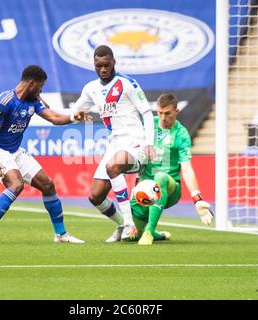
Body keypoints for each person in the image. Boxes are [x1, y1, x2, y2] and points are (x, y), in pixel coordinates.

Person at [0, 65, 89, 245]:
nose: (41, 90)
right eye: (40, 86)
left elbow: (54, 117)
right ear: (32, 83)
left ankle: (61, 234)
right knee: (16, 184)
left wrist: (74, 117)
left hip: (14, 151)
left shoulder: (33, 100)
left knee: (48, 185)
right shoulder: (5, 102)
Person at [72, 45, 155, 242]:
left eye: (106, 65)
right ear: (94, 64)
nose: (103, 69)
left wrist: (150, 143)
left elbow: (146, 112)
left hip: (136, 143)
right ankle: (121, 225)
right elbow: (75, 112)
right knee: (95, 196)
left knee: (113, 165)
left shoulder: (127, 84)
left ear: (113, 62)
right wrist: (77, 115)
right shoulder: (91, 89)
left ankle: (130, 225)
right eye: (99, 66)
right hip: (114, 146)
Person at [130, 93, 213, 245]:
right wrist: (135, 186)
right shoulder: (149, 126)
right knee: (130, 235)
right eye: (159, 113)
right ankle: (156, 234)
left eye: (167, 113)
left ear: (176, 111)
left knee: (160, 177)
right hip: (145, 187)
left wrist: (197, 198)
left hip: (170, 188)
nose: (163, 117)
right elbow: (136, 155)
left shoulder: (181, 134)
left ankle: (149, 231)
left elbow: (187, 169)